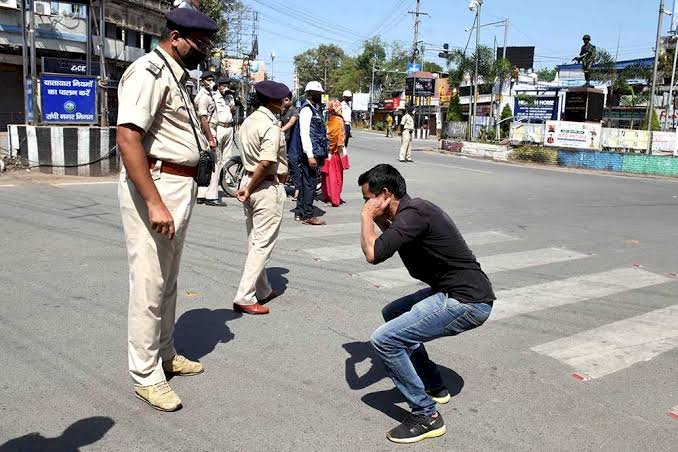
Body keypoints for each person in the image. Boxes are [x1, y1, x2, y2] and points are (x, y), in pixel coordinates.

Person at [116, 8, 218, 412]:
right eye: (199, 42)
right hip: (156, 186)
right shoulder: (149, 72)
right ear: (175, 37)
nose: (204, 50)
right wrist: (154, 201)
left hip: (179, 184)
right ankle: (146, 374)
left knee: (168, 279)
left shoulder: (177, 75)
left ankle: (166, 352)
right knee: (149, 283)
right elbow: (128, 138)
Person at [358, 164, 495, 444]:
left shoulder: (413, 216)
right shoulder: (409, 214)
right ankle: (433, 384)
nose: (366, 205)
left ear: (384, 194)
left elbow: (373, 253)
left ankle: (425, 415)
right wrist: (377, 216)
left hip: (467, 301)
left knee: (384, 340)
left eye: (367, 198)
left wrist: (365, 216)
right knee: (393, 312)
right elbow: (387, 239)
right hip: (453, 292)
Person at [232, 80, 290, 315]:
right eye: (284, 100)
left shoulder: (249, 121)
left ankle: (263, 289)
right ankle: (245, 296)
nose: (286, 104)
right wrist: (252, 186)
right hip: (264, 186)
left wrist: (247, 186)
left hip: (249, 181)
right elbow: (266, 163)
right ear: (275, 101)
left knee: (255, 240)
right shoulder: (271, 126)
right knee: (262, 244)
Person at [287, 81, 328, 225]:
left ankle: (300, 212)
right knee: (309, 183)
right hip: (310, 153)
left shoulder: (314, 108)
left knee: (305, 184)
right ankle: (308, 215)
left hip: (314, 152)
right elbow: (304, 134)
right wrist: (310, 155)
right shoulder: (306, 110)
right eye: (317, 94)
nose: (320, 96)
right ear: (310, 94)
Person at [195, 71, 227, 206]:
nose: (211, 82)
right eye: (208, 80)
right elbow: (203, 119)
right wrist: (211, 139)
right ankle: (211, 196)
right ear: (202, 81)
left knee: (205, 163)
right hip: (208, 131)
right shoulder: (203, 97)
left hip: (210, 130)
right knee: (214, 164)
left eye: (212, 80)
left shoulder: (209, 95)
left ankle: (202, 194)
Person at [321, 99, 346, 207]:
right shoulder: (339, 120)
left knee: (331, 177)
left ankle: (333, 198)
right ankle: (333, 197)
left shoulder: (334, 121)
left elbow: (333, 138)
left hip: (332, 152)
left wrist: (328, 148)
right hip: (335, 152)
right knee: (335, 177)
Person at [280, 92, 300, 201]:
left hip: (294, 142)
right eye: (283, 100)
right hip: (285, 141)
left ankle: (297, 189)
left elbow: (291, 122)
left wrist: (280, 130)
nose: (284, 101)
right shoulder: (283, 111)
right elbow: (280, 123)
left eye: (286, 99)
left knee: (293, 162)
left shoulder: (294, 111)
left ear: (291, 100)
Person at [216, 77, 236, 160]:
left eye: (227, 86)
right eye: (224, 86)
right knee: (217, 154)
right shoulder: (215, 97)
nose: (226, 88)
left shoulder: (230, 97)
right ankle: (216, 172)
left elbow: (233, 111)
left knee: (227, 156)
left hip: (229, 128)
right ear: (219, 86)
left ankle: (224, 172)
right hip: (219, 128)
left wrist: (233, 107)